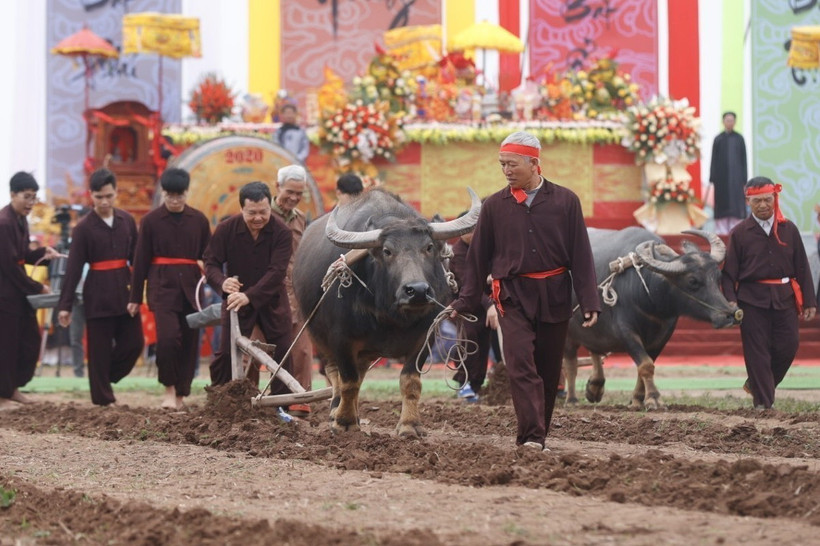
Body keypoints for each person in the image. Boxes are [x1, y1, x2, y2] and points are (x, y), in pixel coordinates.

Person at [448, 131, 600, 451]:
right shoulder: (493, 207)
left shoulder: (566, 202)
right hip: (512, 296)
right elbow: (477, 259)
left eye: (512, 164)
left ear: (533, 164)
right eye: (502, 165)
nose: (506, 170)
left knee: (546, 370)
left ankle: (537, 434)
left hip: (555, 294)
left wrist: (589, 300)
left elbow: (581, 254)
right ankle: (531, 437)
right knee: (520, 364)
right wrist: (466, 299)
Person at [721, 177, 817, 409]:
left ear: (775, 198)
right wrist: (731, 302)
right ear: (748, 202)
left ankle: (758, 385)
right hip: (751, 301)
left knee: (789, 346)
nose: (763, 205)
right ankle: (764, 405)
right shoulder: (739, 233)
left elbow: (802, 266)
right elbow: (727, 274)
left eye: (767, 200)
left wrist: (810, 301)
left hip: (784, 298)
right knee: (757, 353)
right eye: (757, 201)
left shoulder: (789, 229)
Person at [58, 168, 143, 406]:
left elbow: (137, 258)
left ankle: (104, 378)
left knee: (134, 343)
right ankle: (103, 399)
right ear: (90, 195)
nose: (104, 201)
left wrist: (142, 288)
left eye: (108, 195)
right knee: (98, 351)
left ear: (116, 192)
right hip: (97, 294)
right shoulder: (83, 228)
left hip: (126, 291)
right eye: (99, 197)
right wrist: (65, 306)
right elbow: (74, 269)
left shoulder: (127, 220)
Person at [128, 168, 211, 409]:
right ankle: (168, 389)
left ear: (187, 193)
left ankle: (181, 394)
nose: (175, 200)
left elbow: (210, 256)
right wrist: (135, 296)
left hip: (192, 289)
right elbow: (141, 260)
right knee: (166, 340)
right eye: (170, 195)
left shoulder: (199, 220)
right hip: (162, 287)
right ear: (163, 194)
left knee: (189, 341)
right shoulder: (151, 221)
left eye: (180, 195)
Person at [203, 181, 295, 401]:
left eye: (263, 212)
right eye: (251, 213)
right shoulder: (227, 229)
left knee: (282, 349)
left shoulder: (281, 231)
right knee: (225, 352)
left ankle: (281, 404)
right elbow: (210, 263)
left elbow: (276, 272)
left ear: (270, 206)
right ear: (241, 209)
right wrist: (222, 283)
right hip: (236, 301)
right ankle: (221, 400)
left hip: (271, 298)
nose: (258, 218)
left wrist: (249, 296)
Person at [0, 172, 63, 410]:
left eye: (33, 198)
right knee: (6, 345)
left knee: (28, 341)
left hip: (17, 293)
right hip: (5, 292)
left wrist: (45, 254)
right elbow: (8, 266)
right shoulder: (4, 223)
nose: (30, 203)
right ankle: (2, 396)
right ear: (12, 194)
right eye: (26, 197)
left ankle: (13, 388)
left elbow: (24, 255)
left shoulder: (20, 221)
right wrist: (38, 287)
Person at [270, 165, 314, 418]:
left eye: (299, 193)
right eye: (290, 192)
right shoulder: (264, 215)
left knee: (302, 347)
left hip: (295, 287)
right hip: (268, 288)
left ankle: (300, 399)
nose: (294, 198)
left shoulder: (300, 218)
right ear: (277, 187)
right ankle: (252, 396)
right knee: (259, 346)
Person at [448, 211, 498, 402]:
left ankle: (476, 385)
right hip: (465, 307)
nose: (473, 233)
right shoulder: (458, 254)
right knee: (469, 341)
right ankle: (463, 383)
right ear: (461, 232)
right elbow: (469, 286)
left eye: (476, 228)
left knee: (484, 345)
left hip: (487, 306)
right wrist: (490, 305)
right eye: (468, 229)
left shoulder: (487, 248)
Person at [709, 111, 748, 234]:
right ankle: (721, 234)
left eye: (731, 120)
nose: (729, 122)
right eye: (727, 120)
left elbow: (744, 160)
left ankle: (735, 233)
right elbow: (713, 160)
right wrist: (712, 177)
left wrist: (744, 179)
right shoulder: (718, 139)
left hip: (736, 179)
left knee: (736, 207)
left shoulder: (739, 139)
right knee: (722, 206)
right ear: (723, 122)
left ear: (735, 122)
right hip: (721, 179)